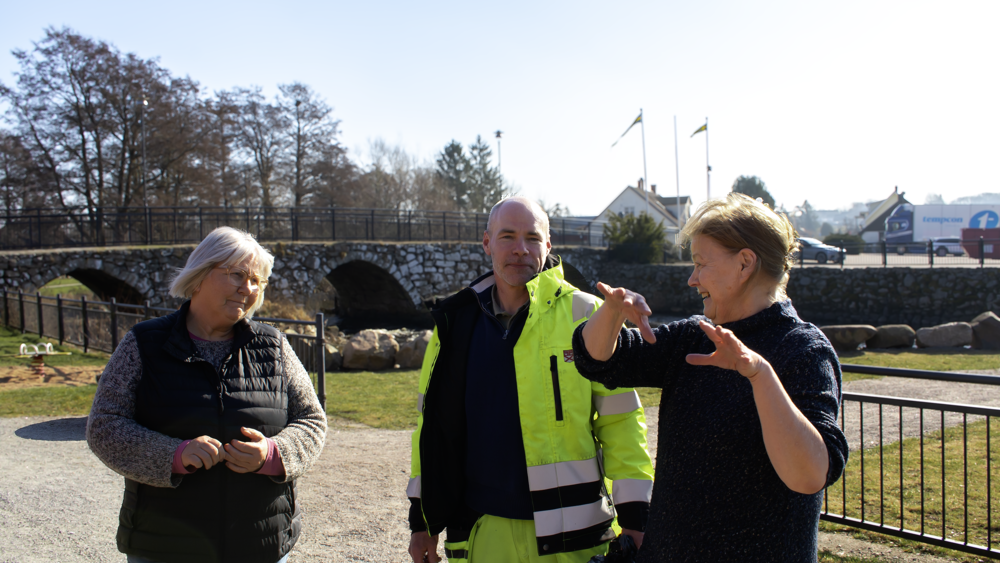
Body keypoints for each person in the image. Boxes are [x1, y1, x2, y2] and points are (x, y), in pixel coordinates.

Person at [574, 193, 849, 562]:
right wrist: (611, 312)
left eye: (701, 263)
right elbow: (597, 360)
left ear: (745, 263)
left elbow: (809, 476)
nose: (692, 279)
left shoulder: (803, 350)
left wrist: (759, 374)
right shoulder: (694, 335)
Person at [407, 197, 654, 563]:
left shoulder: (589, 315)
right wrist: (421, 521)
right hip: (481, 534)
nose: (520, 249)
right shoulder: (454, 324)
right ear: (487, 242)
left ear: (549, 246)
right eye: (507, 237)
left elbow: (621, 421)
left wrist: (636, 515)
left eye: (532, 238)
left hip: (575, 543)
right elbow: (433, 430)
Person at [87, 226, 327, 563]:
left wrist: (274, 454)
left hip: (259, 543)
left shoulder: (273, 346)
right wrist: (172, 455)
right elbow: (104, 426)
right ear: (198, 276)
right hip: (165, 545)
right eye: (237, 275)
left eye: (256, 280)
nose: (249, 289)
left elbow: (312, 421)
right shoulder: (143, 344)